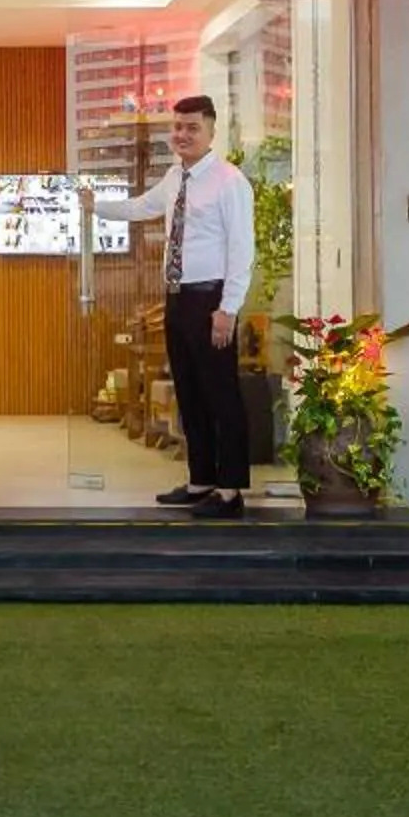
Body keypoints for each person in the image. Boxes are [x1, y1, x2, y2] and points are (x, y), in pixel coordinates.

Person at [84, 96, 255, 517]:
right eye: (178, 126)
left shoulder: (230, 181)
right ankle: (201, 481)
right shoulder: (176, 176)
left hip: (211, 298)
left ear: (211, 131)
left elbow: (241, 249)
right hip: (177, 297)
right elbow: (142, 207)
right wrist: (96, 206)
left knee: (221, 396)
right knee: (190, 393)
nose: (182, 134)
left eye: (192, 127)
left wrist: (228, 308)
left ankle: (230, 490)